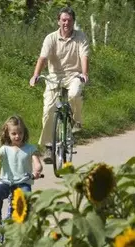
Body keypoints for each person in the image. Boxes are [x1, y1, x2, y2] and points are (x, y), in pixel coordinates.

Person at [29, 6, 90, 164]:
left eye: (69, 20)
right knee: (48, 110)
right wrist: (35, 75)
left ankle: (76, 121)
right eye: (63, 20)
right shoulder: (51, 38)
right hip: (54, 77)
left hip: (73, 76)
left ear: (73, 22)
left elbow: (84, 56)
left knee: (74, 94)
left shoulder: (80, 37)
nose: (66, 23)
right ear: (58, 21)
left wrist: (84, 74)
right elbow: (43, 58)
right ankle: (49, 146)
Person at [0, 115, 43, 225]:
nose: (17, 136)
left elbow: (37, 163)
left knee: (25, 199)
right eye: (14, 134)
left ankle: (24, 222)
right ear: (8, 134)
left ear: (24, 133)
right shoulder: (5, 149)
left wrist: (37, 171)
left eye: (20, 133)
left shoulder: (30, 148)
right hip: (6, 182)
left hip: (23, 183)